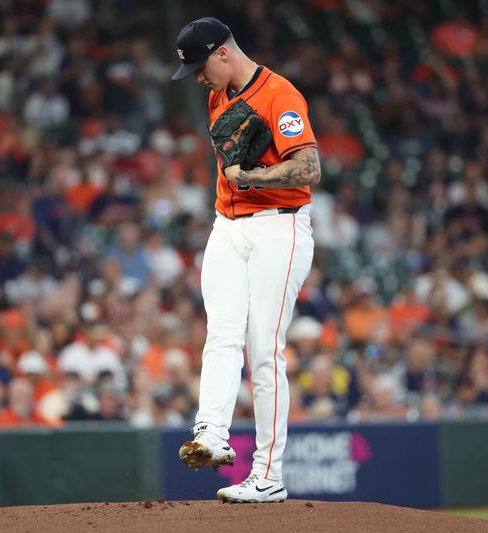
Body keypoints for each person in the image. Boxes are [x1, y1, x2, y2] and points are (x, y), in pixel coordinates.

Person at [171, 17, 319, 503]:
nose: (197, 78)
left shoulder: (281, 95)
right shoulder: (218, 97)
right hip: (227, 226)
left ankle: (268, 474)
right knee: (222, 333)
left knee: (263, 349)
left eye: (199, 66)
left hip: (280, 225)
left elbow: (310, 167)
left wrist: (253, 177)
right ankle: (211, 433)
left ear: (223, 53)